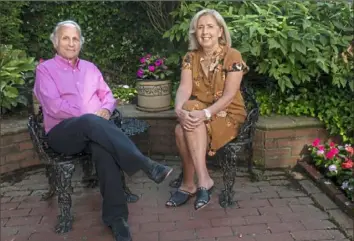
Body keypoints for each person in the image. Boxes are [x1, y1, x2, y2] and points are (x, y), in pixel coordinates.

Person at [34, 20, 173, 241]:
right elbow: (54, 106)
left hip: (95, 129)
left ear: (81, 42)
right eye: (65, 38)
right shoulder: (45, 70)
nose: (71, 43)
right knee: (90, 121)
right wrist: (90, 114)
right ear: (55, 42)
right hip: (63, 133)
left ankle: (116, 218)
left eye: (75, 38)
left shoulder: (90, 68)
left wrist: (106, 111)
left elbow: (107, 96)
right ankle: (145, 164)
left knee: (104, 151)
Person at [165, 9, 249, 210]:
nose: (205, 32)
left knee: (183, 126)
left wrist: (205, 113)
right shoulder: (190, 57)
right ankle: (201, 181)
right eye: (200, 27)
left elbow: (229, 96)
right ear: (195, 32)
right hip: (201, 112)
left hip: (228, 113)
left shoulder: (232, 55)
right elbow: (185, 88)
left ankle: (191, 183)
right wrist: (178, 109)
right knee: (184, 119)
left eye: (210, 26)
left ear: (220, 31)